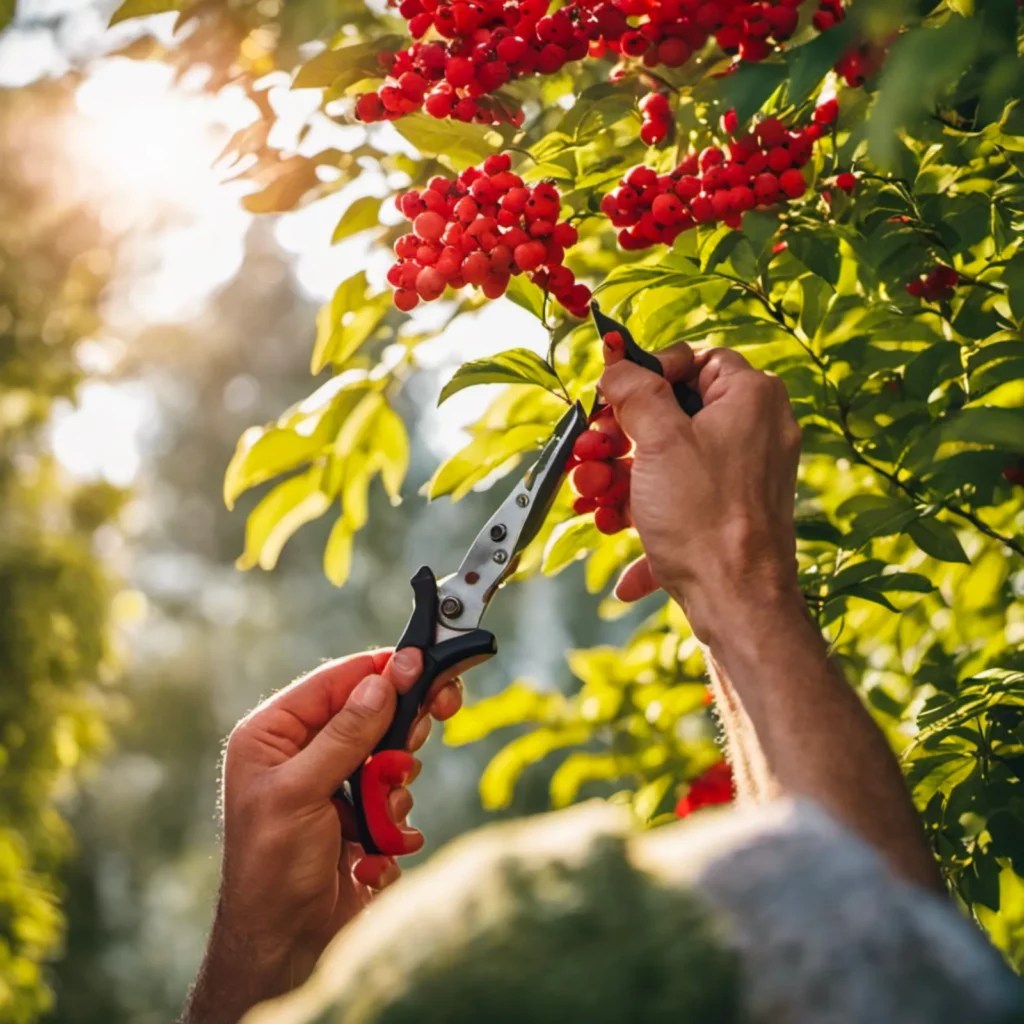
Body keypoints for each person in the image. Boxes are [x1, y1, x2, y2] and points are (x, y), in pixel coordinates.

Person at [180, 343, 991, 1024]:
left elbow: (823, 896)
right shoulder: (520, 944)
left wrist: (261, 952)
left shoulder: (347, 992)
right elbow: (889, 951)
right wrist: (737, 571)